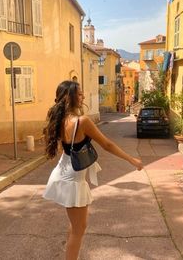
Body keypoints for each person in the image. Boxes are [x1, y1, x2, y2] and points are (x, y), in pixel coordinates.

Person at [43, 80, 143, 260]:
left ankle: (71, 255)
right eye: (79, 93)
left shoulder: (60, 119)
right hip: (72, 179)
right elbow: (107, 144)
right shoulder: (82, 121)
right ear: (70, 97)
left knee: (76, 226)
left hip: (65, 173)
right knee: (79, 230)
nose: (82, 96)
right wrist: (131, 160)